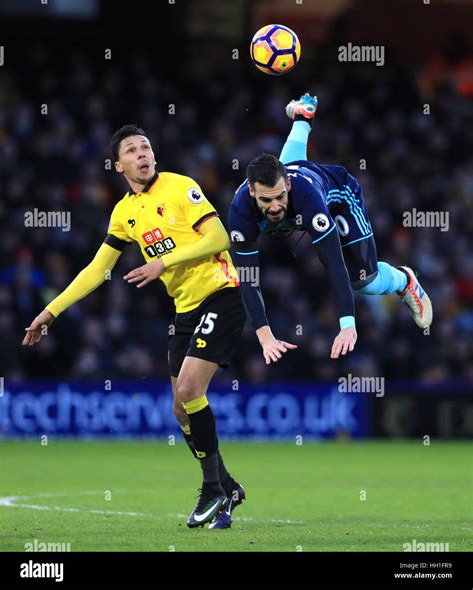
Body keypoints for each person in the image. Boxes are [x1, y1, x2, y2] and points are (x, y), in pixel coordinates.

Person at [22, 125, 246, 529]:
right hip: (184, 309)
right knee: (180, 408)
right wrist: (51, 311)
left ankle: (213, 489)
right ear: (118, 164)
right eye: (132, 149)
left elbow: (219, 237)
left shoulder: (180, 187)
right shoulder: (124, 212)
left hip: (222, 294)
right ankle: (227, 485)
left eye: (146, 146)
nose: (142, 153)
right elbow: (97, 269)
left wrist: (164, 262)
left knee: (191, 390)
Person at [228, 94, 433, 364]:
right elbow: (248, 277)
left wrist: (347, 324)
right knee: (289, 165)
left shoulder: (307, 199)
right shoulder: (240, 214)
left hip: (340, 196)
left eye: (280, 196)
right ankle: (302, 118)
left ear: (287, 185)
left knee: (365, 281)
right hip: (298, 179)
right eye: (267, 200)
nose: (276, 206)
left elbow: (335, 263)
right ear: (252, 193)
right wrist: (265, 337)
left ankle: (404, 280)